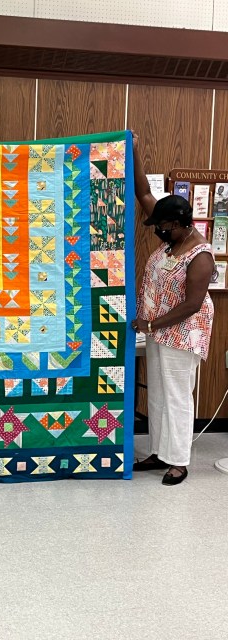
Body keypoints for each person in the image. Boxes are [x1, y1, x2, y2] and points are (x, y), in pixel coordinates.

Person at [131, 133, 215, 485]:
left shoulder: (200, 255)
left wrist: (151, 325)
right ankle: (159, 451)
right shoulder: (173, 235)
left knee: (177, 395)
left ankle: (178, 460)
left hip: (181, 333)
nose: (159, 231)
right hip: (157, 329)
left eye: (163, 227)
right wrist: (134, 149)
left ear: (179, 225)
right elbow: (143, 193)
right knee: (159, 394)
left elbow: (192, 304)